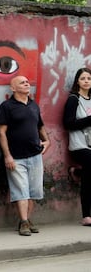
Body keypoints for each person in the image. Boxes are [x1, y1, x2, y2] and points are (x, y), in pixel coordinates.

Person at [0, 75, 50, 236]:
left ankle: (27, 219)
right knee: (20, 190)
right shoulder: (6, 107)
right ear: (13, 88)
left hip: (35, 155)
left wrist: (47, 141)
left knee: (33, 192)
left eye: (28, 81)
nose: (27, 83)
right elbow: (1, 132)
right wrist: (7, 156)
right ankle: (24, 222)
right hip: (16, 157)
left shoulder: (33, 105)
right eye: (22, 82)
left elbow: (40, 126)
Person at [63, 67, 91, 226]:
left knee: (89, 173)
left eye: (89, 78)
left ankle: (78, 172)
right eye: (83, 78)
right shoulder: (74, 99)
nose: (86, 81)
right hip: (79, 146)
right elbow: (68, 123)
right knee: (89, 176)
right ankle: (86, 216)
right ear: (77, 82)